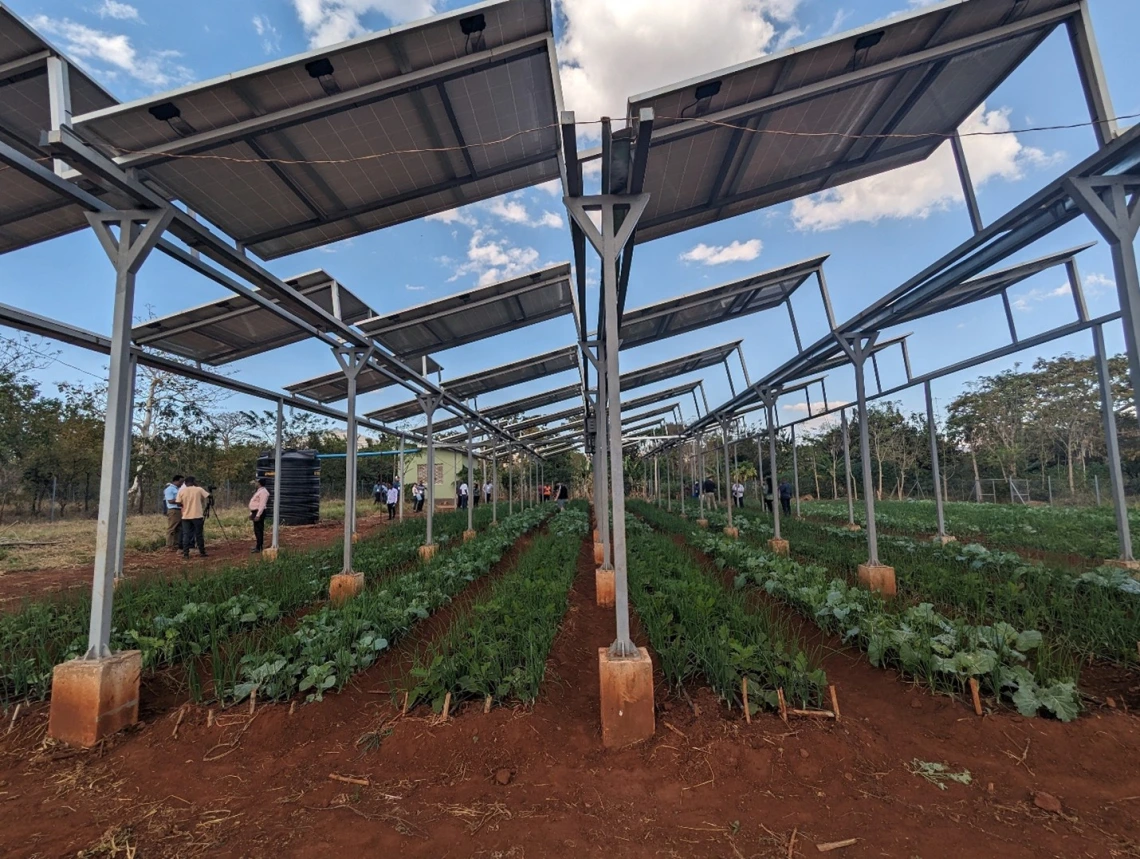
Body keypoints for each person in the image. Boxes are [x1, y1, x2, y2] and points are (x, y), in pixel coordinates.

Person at [176, 475, 210, 559]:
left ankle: (186, 554)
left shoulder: (181, 491)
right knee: (199, 534)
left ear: (185, 483)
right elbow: (208, 496)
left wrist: (183, 505)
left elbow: (178, 503)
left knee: (186, 535)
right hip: (197, 515)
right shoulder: (198, 489)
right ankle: (202, 552)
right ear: (193, 482)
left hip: (186, 516)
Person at [163, 474, 184, 551]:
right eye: (180, 481)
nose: (181, 483)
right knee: (172, 528)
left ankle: (176, 544)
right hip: (174, 510)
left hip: (179, 510)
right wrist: (181, 501)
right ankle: (169, 545)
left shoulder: (178, 489)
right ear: (175, 481)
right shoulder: (170, 489)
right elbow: (170, 500)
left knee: (179, 528)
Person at [248, 478, 269, 553]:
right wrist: (252, 513)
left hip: (259, 512)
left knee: (259, 530)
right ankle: (258, 545)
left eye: (257, 482)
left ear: (259, 483)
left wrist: (258, 515)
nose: (256, 483)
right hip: (255, 512)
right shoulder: (259, 491)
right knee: (256, 530)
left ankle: (259, 547)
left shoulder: (264, 492)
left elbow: (262, 505)